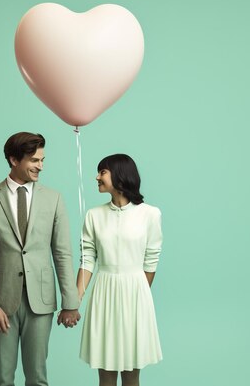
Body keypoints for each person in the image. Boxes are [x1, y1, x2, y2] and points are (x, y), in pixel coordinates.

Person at [0, 132, 81, 386]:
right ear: (13, 160)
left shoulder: (53, 198)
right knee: (2, 377)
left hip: (41, 301)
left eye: (42, 160)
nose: (40, 166)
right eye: (34, 160)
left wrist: (70, 302)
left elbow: (62, 253)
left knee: (37, 377)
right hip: (1, 301)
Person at [76, 154, 163, 386]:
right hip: (104, 292)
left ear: (120, 175)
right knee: (105, 372)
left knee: (132, 373)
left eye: (102, 172)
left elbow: (151, 259)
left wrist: (140, 295)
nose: (97, 177)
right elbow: (87, 259)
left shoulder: (150, 214)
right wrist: (75, 299)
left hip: (136, 294)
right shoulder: (93, 215)